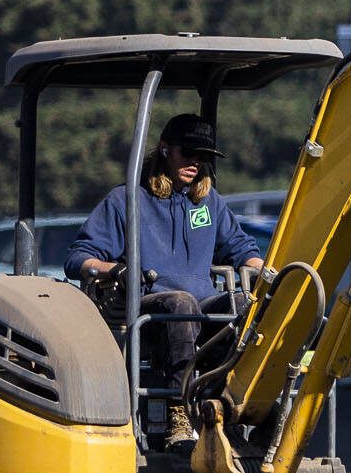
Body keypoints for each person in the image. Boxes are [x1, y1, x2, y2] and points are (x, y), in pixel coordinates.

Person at [66, 113, 263, 444]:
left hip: (202, 307)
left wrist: (265, 272)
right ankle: (179, 413)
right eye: (188, 154)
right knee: (180, 303)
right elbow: (78, 258)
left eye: (203, 158)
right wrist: (112, 269)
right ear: (165, 150)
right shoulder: (126, 200)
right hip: (151, 309)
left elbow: (241, 247)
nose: (195, 164)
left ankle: (231, 408)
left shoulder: (209, 202)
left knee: (246, 304)